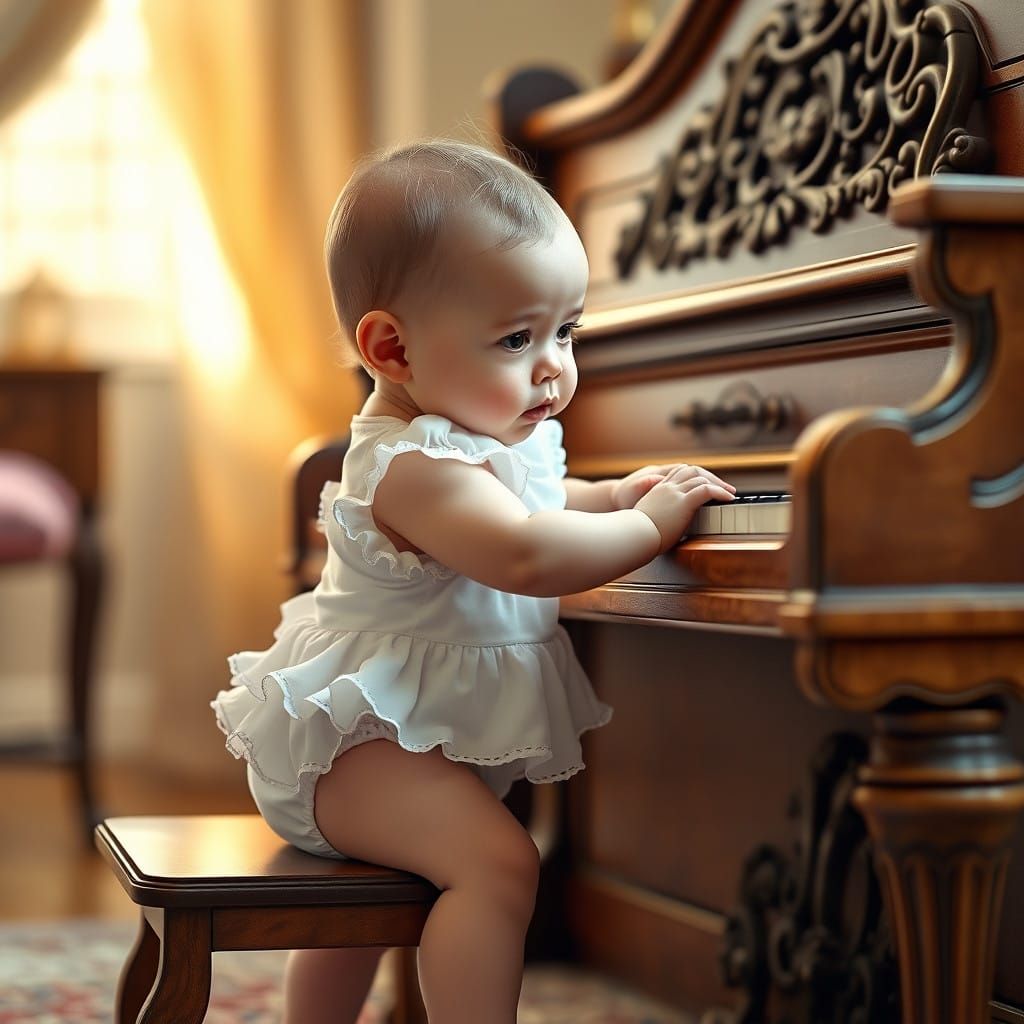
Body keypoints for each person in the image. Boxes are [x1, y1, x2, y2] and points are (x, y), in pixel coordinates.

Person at [212, 139, 735, 1024]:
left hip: (400, 744)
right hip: (352, 755)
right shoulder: (413, 467)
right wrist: (647, 528)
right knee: (500, 864)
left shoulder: (481, 434)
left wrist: (609, 493)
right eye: (516, 338)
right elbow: (524, 551)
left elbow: (536, 497)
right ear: (393, 348)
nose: (553, 367)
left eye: (566, 330)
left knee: (424, 890)